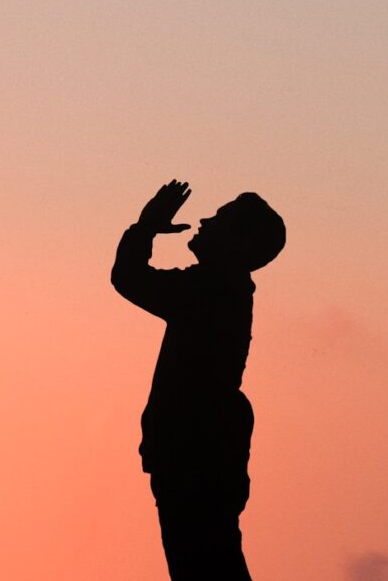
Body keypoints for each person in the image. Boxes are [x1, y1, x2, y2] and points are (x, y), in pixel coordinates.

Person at [111, 179, 286, 581]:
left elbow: (129, 278)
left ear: (239, 243)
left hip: (194, 450)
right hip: (200, 448)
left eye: (220, 220)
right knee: (209, 558)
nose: (205, 220)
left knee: (204, 563)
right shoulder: (220, 289)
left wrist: (146, 226)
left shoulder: (209, 290)